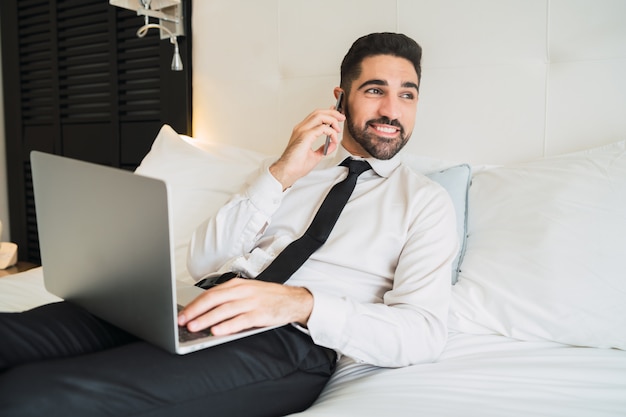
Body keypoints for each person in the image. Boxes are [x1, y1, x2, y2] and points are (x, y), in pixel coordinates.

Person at [0, 32, 458, 416]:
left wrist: (298, 304)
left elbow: (423, 332)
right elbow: (203, 262)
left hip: (288, 343)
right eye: (376, 90)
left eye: (407, 94)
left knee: (32, 394)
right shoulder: (293, 173)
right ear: (340, 99)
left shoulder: (425, 203)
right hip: (192, 304)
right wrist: (280, 173)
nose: (392, 112)